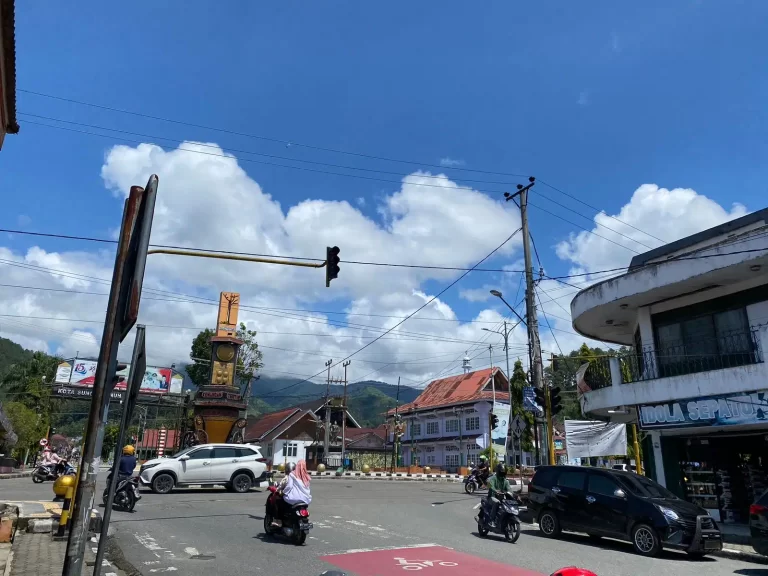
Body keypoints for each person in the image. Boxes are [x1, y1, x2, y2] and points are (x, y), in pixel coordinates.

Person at [273, 461, 312, 526]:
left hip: (294, 498)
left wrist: (283, 492)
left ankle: (278, 521)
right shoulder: (306, 476)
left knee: (279, 501)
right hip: (306, 499)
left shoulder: (292, 474)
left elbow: (289, 486)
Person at [486, 463, 511, 527]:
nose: (502, 473)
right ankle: (491, 520)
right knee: (496, 502)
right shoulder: (493, 478)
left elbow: (509, 489)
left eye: (503, 471)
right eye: (501, 471)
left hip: (502, 498)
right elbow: (489, 484)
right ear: (498, 471)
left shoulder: (505, 481)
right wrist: (494, 490)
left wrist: (514, 495)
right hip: (492, 497)